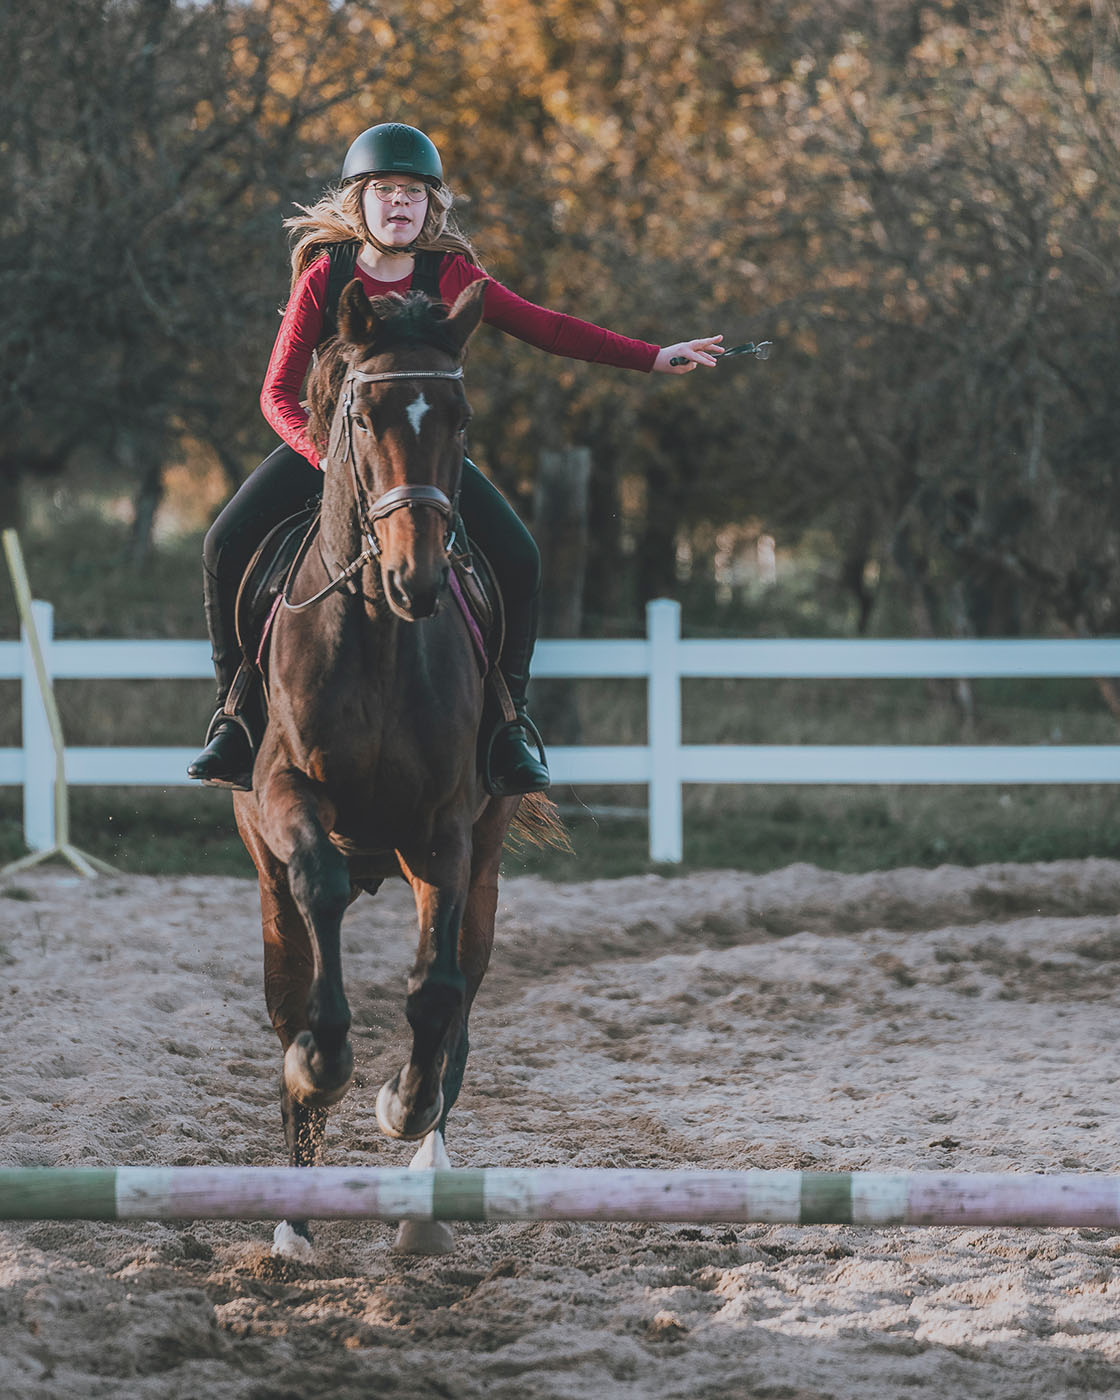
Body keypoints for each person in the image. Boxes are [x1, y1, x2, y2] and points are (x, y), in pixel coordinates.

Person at [188, 122, 724, 793]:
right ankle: (234, 719)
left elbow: (548, 327)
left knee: (521, 557)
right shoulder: (325, 278)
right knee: (220, 544)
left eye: (413, 192)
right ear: (360, 202)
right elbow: (275, 393)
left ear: (430, 205)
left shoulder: (454, 275)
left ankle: (507, 727)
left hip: (418, 460)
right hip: (330, 449)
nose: (400, 203)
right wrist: (319, 453)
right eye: (385, 190)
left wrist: (651, 356)